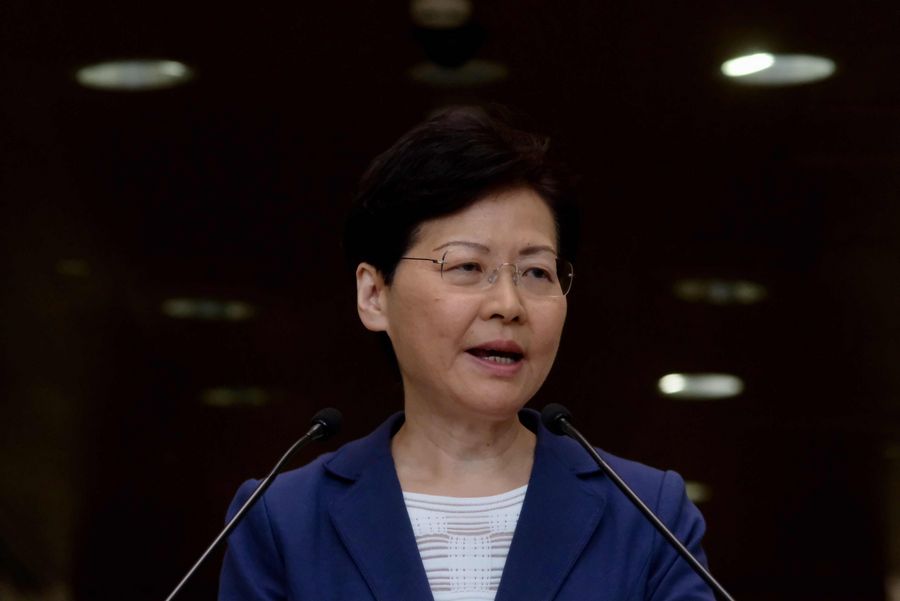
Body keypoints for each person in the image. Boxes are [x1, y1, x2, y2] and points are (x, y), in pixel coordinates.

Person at [218, 107, 715, 600]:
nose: (508, 305)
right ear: (374, 295)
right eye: (467, 267)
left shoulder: (648, 515)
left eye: (537, 272)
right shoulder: (281, 520)